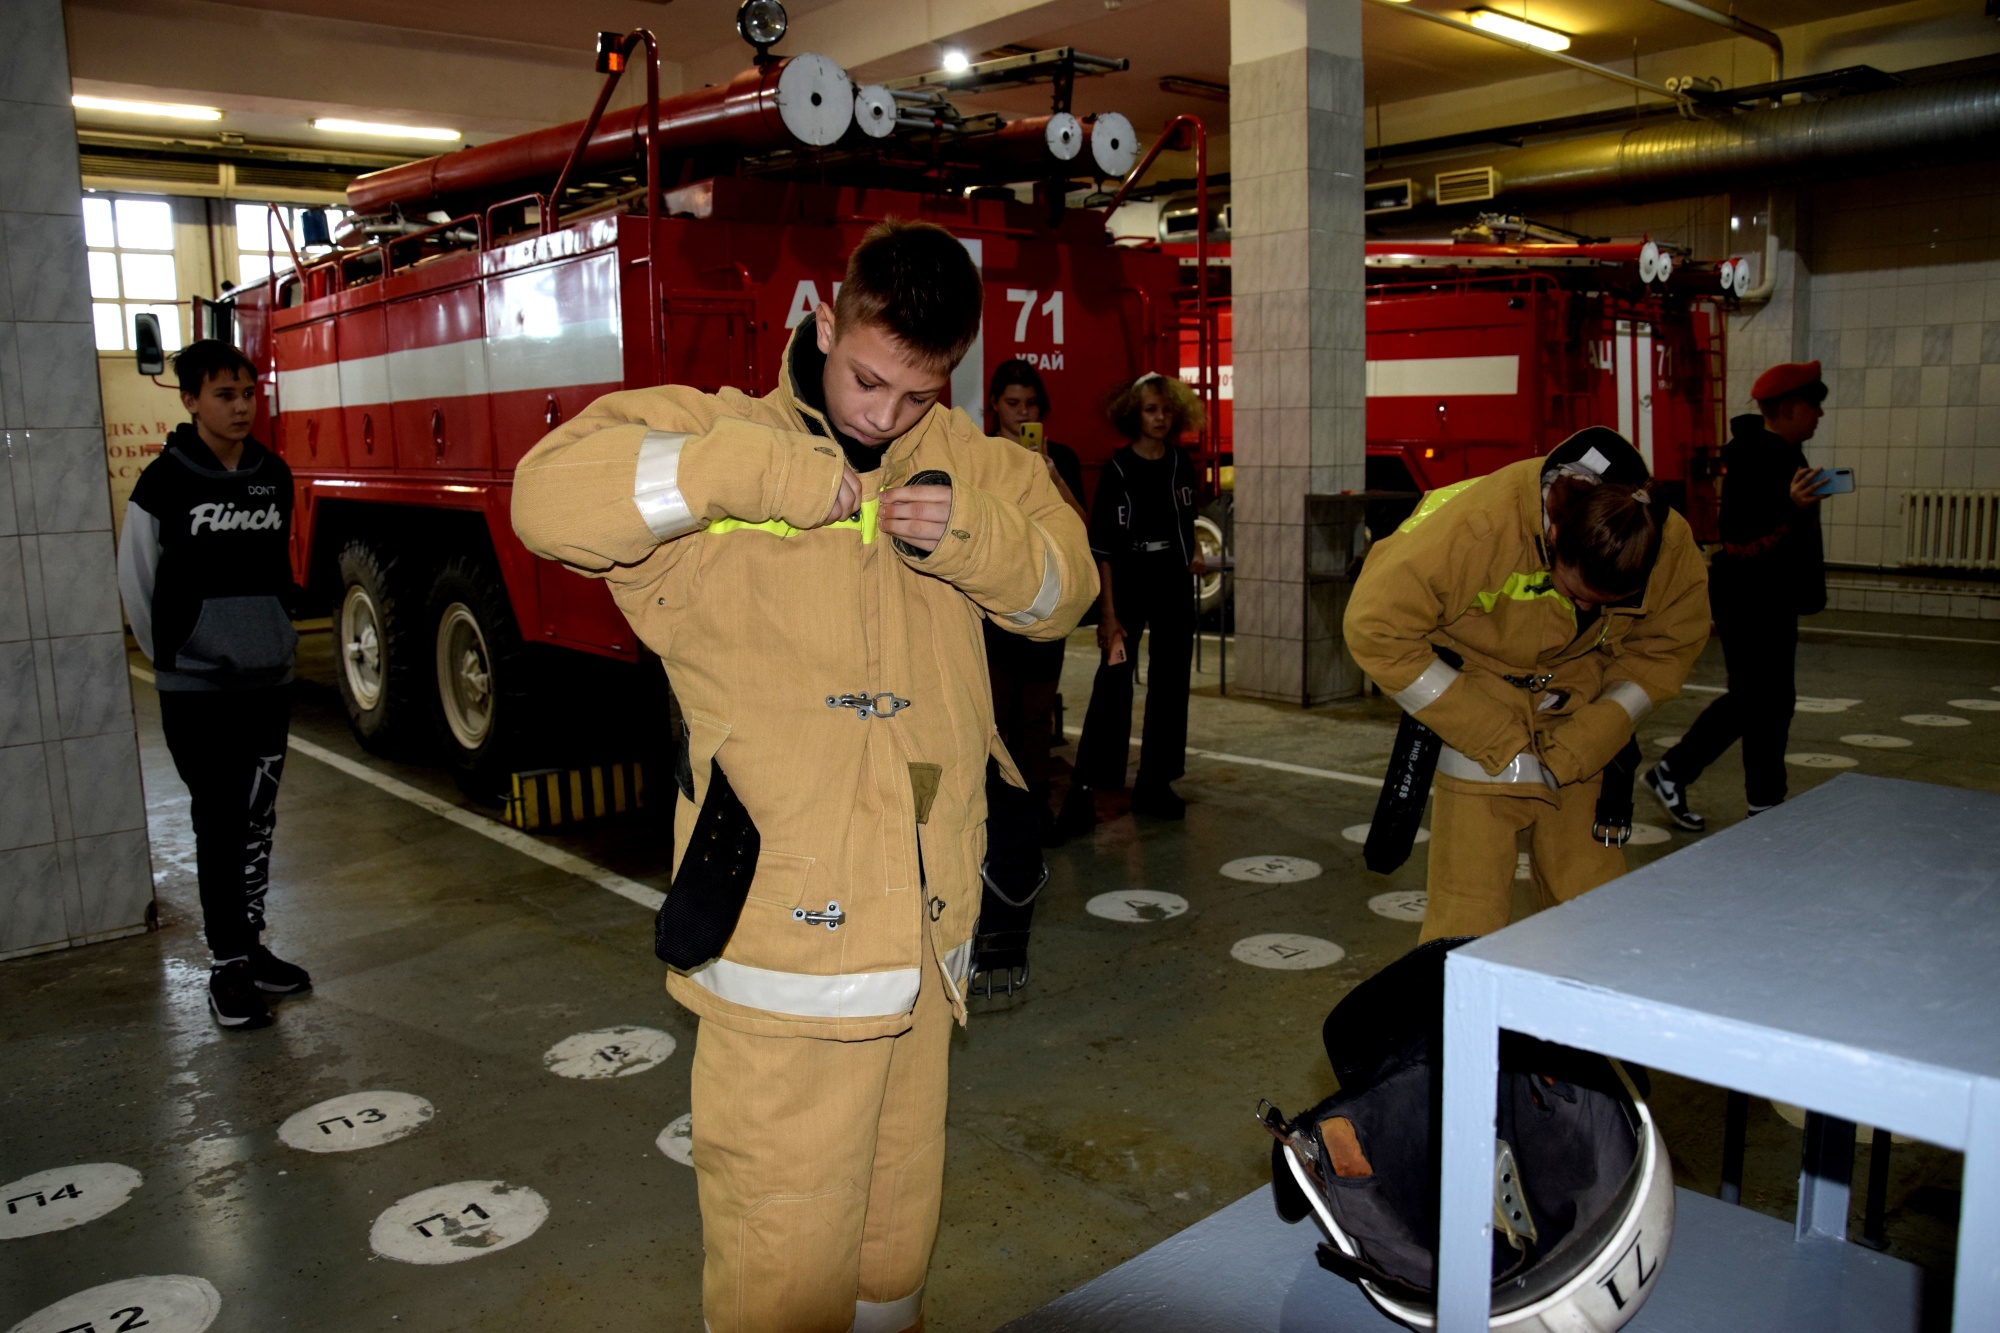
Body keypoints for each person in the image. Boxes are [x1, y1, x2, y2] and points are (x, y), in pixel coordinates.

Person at [511, 220, 1095, 1333]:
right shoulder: (715, 431)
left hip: (924, 942)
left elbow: (1060, 586)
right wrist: (756, 476)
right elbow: (545, 498)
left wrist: (970, 534)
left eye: (916, 395)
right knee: (782, 1255)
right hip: (780, 948)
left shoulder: (968, 459)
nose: (883, 415)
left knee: (894, 1237)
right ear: (823, 318)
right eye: (867, 378)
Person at [1344, 428, 1709, 941]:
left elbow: (1664, 651)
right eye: (1578, 593)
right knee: (1466, 914)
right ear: (1555, 535)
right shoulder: (1477, 527)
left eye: (1604, 602)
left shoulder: (1662, 542)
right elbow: (1374, 629)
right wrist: (1495, 738)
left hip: (1582, 707)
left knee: (1593, 899)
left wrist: (1590, 739)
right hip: (1479, 705)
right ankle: (1459, 1019)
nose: (1587, 610)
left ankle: (1588, 1016)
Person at [117, 339, 308, 1030]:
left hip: (267, 681)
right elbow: (138, 582)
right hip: (197, 690)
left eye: (248, 394)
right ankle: (227, 965)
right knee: (219, 818)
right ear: (190, 400)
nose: (239, 407)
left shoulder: (272, 474)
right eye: (224, 395)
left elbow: (275, 570)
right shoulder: (163, 483)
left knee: (257, 818)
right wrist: (181, 649)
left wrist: (269, 639)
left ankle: (251, 947)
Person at [1646, 362, 1829, 828]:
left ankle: (1698, 780)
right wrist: (1791, 506)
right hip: (1752, 599)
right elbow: (1741, 537)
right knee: (1759, 700)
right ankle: (1754, 800)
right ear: (1789, 408)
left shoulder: (1784, 454)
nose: (1820, 413)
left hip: (1769, 597)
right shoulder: (1756, 458)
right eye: (1814, 404)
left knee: (1765, 699)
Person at [1058, 373, 1206, 834]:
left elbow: (1187, 519)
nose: (1160, 418)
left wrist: (1194, 552)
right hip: (1129, 579)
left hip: (1173, 582)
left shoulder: (1181, 463)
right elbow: (1102, 547)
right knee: (1114, 680)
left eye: (1165, 410)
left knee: (1171, 681)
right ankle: (1088, 788)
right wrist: (1109, 612)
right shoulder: (1118, 471)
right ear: (1132, 415)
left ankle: (1155, 782)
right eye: (1150, 410)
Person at [984, 358, 1087, 840]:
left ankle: (1036, 806)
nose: (1021, 412)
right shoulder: (980, 457)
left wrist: (1053, 476)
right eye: (1012, 403)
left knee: (1035, 715)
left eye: (1030, 404)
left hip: (1047, 602)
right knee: (996, 713)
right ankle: (1000, 809)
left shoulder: (1058, 456)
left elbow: (1084, 527)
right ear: (994, 405)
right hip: (993, 604)